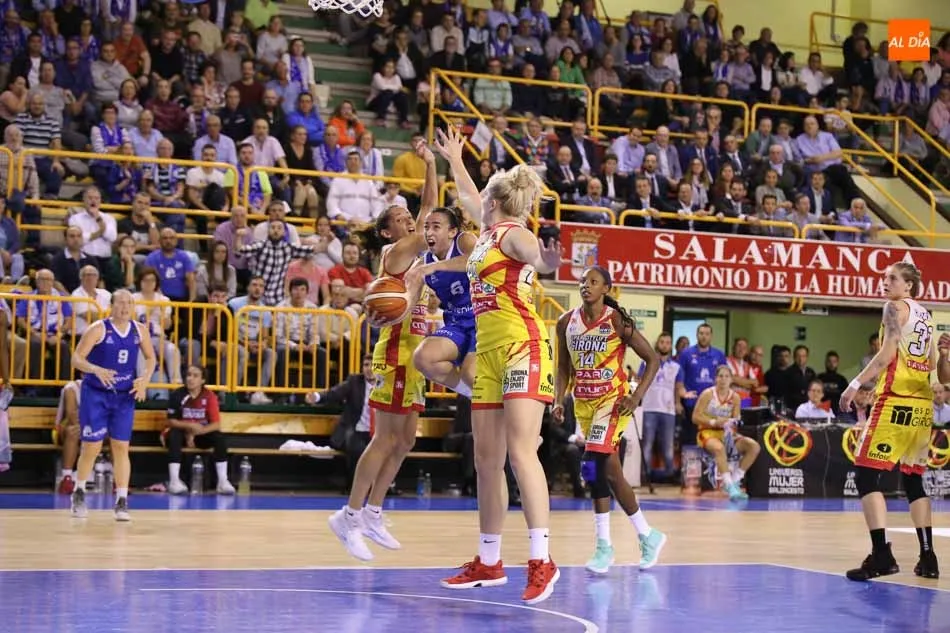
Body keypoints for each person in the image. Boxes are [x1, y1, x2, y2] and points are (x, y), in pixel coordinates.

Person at [435, 126, 561, 604]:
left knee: (521, 452)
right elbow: (468, 193)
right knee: (486, 460)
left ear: (494, 201)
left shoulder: (513, 234)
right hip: (487, 353)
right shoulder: (487, 232)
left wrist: (544, 260)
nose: (475, 200)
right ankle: (489, 561)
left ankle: (541, 559)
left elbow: (533, 254)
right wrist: (454, 158)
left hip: (522, 347)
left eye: (483, 196)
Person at [327, 137, 437, 561]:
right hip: (395, 352)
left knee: (406, 440)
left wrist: (432, 165)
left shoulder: (416, 255)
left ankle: (373, 511)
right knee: (384, 438)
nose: (409, 219)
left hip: (416, 352)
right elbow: (429, 215)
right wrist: (429, 167)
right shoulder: (395, 252)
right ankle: (349, 516)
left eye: (409, 216)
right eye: (400, 217)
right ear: (387, 231)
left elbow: (428, 212)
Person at [839, 263, 950, 582]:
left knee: (865, 475)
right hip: (922, 408)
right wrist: (945, 355)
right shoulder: (926, 316)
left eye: (892, 278)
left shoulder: (893, 308)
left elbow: (887, 354)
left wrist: (854, 384)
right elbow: (941, 375)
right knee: (914, 481)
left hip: (895, 402)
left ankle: (881, 555)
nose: (885, 282)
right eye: (885, 277)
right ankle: (928, 557)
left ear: (909, 285)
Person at [553, 266, 666, 575]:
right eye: (583, 281)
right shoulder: (565, 322)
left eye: (593, 281)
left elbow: (652, 360)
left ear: (606, 289)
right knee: (611, 474)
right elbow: (563, 368)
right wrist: (559, 399)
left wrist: (637, 395)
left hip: (612, 402)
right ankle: (648, 535)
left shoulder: (616, 320)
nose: (585, 285)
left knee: (592, 465)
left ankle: (604, 546)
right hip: (584, 404)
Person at [69, 290, 156, 521]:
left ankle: (122, 500)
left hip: (124, 395)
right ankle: (79, 491)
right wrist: (95, 369)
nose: (125, 307)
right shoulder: (98, 329)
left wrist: (144, 379)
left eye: (129, 303)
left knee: (121, 446)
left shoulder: (139, 330)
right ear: (111, 305)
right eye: (121, 303)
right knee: (92, 447)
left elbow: (151, 358)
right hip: (96, 394)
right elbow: (76, 358)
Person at [406, 205, 478, 397]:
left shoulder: (464, 241)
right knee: (423, 357)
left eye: (436, 227)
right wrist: (384, 313)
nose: (429, 232)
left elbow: (476, 262)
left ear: (452, 231)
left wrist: (436, 267)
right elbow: (408, 302)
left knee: (470, 374)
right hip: (457, 323)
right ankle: (471, 394)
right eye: (426, 227)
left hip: (484, 318)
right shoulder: (423, 264)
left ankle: (504, 403)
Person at [692, 365, 761, 501]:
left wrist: (733, 424)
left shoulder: (735, 397)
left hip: (726, 433)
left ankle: (734, 481)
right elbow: (695, 417)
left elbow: (736, 419)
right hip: (707, 432)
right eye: (720, 376)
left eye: (726, 376)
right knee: (719, 448)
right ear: (715, 379)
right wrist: (714, 422)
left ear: (731, 380)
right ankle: (729, 485)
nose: (723, 379)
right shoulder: (707, 394)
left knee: (754, 447)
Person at [165, 364, 235, 495]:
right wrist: (189, 427)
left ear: (203, 380)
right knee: (174, 434)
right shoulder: (177, 395)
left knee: (219, 437)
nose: (190, 378)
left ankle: (222, 481)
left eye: (195, 376)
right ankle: (174, 481)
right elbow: (170, 421)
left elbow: (216, 424)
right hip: (181, 433)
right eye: (188, 375)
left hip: (200, 435)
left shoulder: (209, 396)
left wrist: (198, 431)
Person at [54, 379, 82, 494]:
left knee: (116, 436)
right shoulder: (71, 388)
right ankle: (67, 478)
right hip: (66, 428)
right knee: (72, 431)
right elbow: (72, 418)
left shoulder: (106, 387)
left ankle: (119, 483)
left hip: (96, 428)